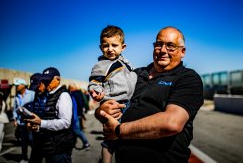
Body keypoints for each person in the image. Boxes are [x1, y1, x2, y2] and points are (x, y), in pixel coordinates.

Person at [95, 26, 204, 163]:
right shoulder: (135, 74)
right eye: (159, 44)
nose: (163, 50)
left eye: (171, 46)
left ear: (182, 51)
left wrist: (118, 130)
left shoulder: (187, 78)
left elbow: (172, 123)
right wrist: (101, 111)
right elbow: (108, 98)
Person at [88, 25, 137, 163]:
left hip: (129, 103)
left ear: (123, 47)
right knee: (111, 138)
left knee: (129, 138)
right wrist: (95, 92)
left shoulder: (127, 64)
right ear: (100, 47)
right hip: (113, 104)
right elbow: (94, 82)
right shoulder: (101, 65)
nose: (110, 49)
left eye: (114, 45)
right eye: (106, 45)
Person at [26, 67, 75, 163]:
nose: (46, 83)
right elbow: (51, 119)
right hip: (51, 147)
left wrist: (41, 122)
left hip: (60, 148)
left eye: (48, 80)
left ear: (58, 80)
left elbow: (65, 123)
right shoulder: (51, 95)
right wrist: (37, 127)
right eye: (44, 80)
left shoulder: (63, 95)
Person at [13, 78, 35, 163]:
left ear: (23, 85)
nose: (16, 87)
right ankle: (24, 158)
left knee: (31, 140)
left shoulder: (32, 94)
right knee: (23, 141)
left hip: (30, 121)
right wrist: (15, 119)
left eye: (17, 85)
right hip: (21, 122)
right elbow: (14, 109)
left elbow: (36, 106)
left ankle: (36, 156)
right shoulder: (17, 97)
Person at [27, 73, 48, 163]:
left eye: (38, 86)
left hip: (48, 132)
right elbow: (35, 110)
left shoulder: (51, 95)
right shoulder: (37, 94)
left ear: (43, 83)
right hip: (37, 132)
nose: (37, 89)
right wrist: (30, 121)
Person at [68, 83, 90, 150]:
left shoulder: (73, 94)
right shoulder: (80, 93)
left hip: (76, 114)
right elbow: (83, 103)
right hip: (79, 113)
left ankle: (86, 143)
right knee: (76, 129)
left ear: (71, 88)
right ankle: (73, 143)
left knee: (76, 130)